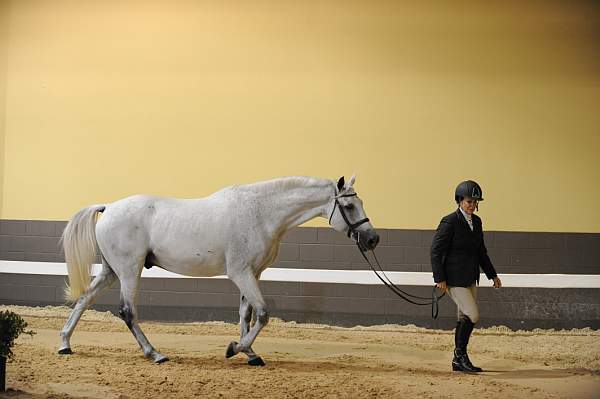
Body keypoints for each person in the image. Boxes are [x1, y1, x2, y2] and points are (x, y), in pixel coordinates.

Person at [430, 180, 502, 372]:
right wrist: (440, 278)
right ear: (460, 201)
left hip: (471, 277)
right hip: (453, 280)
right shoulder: (449, 222)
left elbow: (481, 252)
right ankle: (460, 355)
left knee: (464, 317)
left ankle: (458, 360)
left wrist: (492, 275)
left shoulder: (477, 222)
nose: (473, 205)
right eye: (469, 201)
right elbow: (436, 251)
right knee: (473, 314)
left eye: (475, 202)